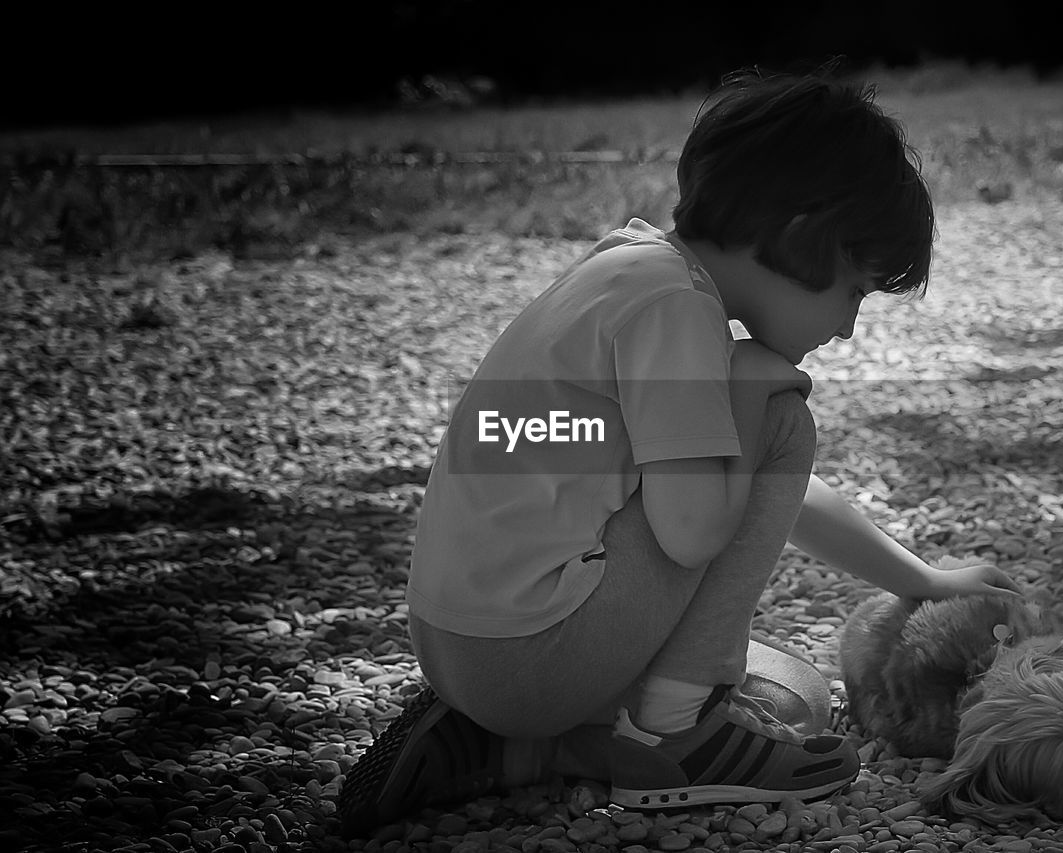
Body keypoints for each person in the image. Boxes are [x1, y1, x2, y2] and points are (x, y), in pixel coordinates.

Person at [337, 67, 1020, 835]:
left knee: (796, 693)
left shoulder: (632, 270)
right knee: (783, 425)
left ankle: (507, 744)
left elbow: (765, 491)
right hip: (525, 651)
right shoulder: (676, 312)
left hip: (468, 642)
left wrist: (919, 577)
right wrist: (750, 394)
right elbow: (694, 529)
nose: (847, 328)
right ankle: (672, 735)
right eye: (855, 293)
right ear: (801, 235)